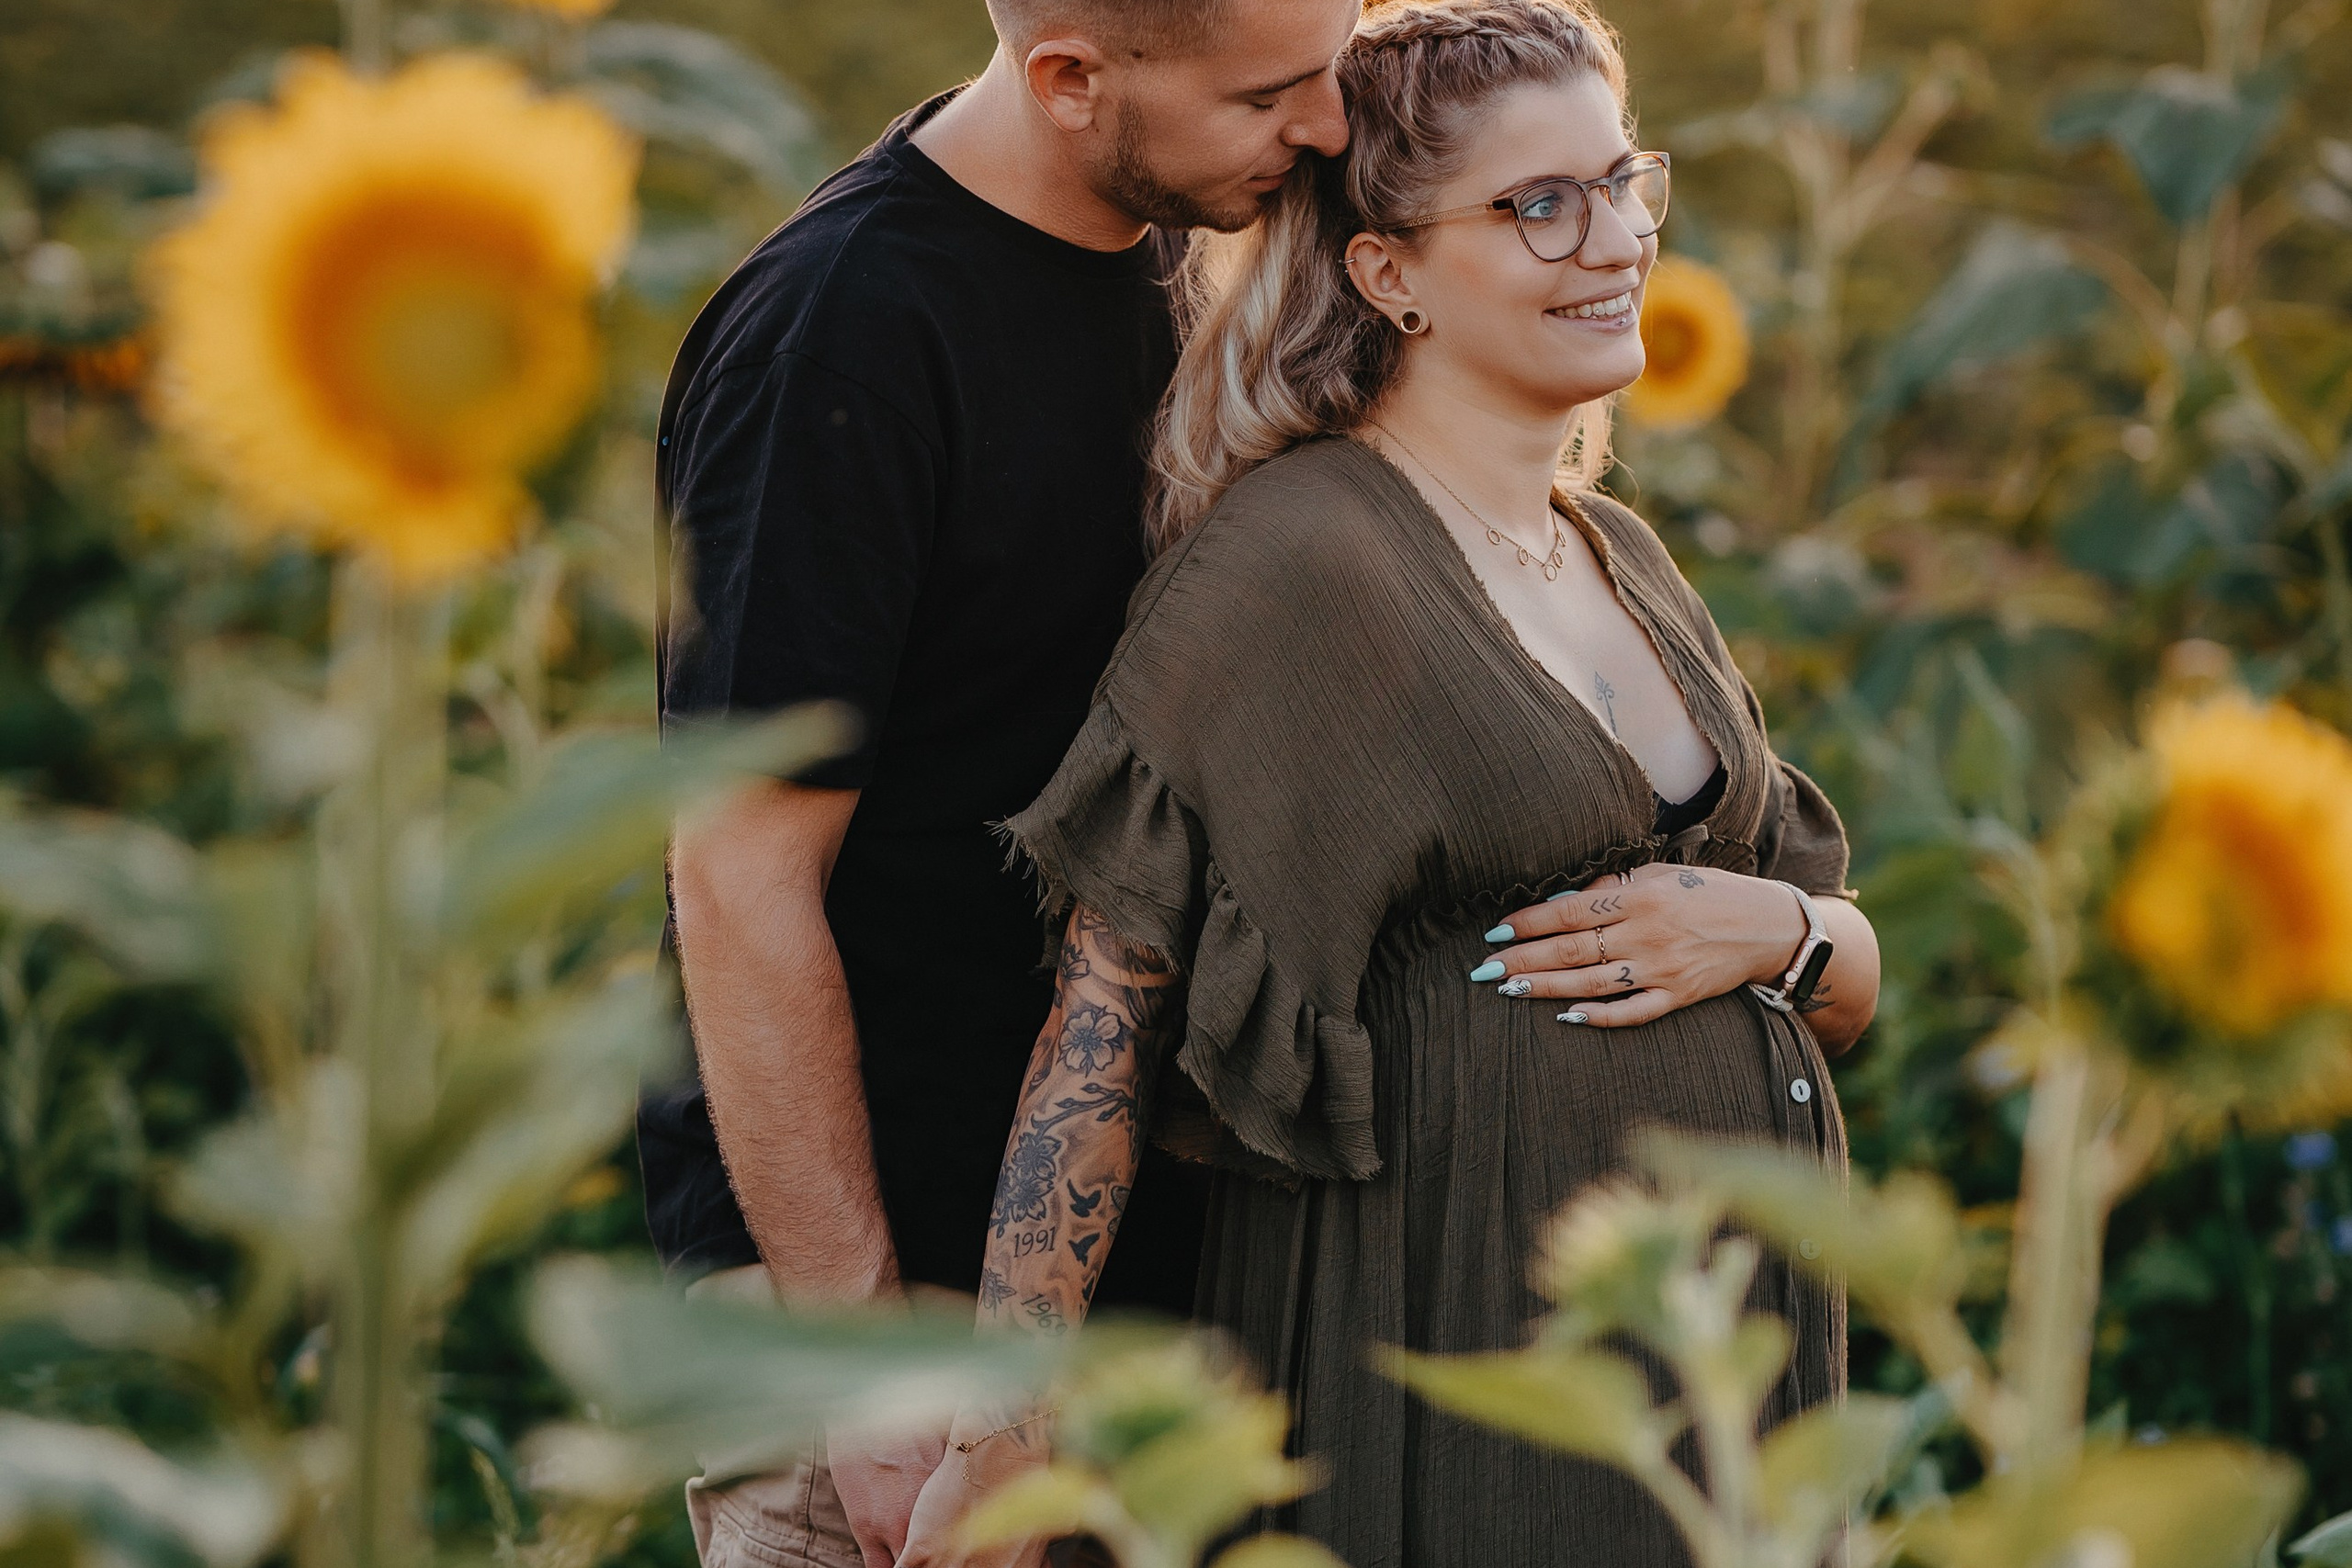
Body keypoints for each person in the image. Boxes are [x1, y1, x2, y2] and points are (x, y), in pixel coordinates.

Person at [939, 0, 1885, 1562]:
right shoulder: (1302, 557)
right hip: (1464, 1345)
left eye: (1625, 181)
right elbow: (1103, 1028)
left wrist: (1774, 934)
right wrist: (1004, 1437)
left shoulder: (1626, 562)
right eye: (1539, 205)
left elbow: (1840, 971)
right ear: (1389, 273)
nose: (1617, 241)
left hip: (1719, 1371)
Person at [643, 1, 1358, 1564]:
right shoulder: (844, 331)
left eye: (1339, 63)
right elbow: (739, 871)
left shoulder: (1179, 238)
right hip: (873, 1272)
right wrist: (875, 1366)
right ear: (1068, 79)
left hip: (1113, 1279)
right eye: (1270, 93)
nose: (1325, 127)